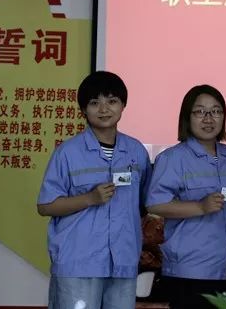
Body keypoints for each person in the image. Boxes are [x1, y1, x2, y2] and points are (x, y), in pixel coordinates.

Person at [37, 70, 151, 309]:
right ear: (83, 109)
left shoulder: (136, 151)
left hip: (122, 262)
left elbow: (144, 203)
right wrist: (90, 198)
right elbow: (46, 206)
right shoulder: (68, 152)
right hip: (78, 263)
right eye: (94, 102)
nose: (104, 109)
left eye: (112, 101)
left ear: (123, 105)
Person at [146, 85, 226, 308]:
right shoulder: (173, 158)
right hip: (189, 270)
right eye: (200, 112)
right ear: (187, 117)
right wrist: (200, 207)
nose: (208, 118)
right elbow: (155, 204)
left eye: (216, 111)